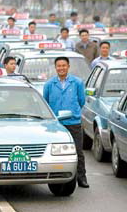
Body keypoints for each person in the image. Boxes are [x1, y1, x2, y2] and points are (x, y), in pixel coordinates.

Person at [43, 56, 89, 188]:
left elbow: (81, 101)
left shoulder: (77, 82)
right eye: (59, 66)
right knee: (54, 151)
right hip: (56, 124)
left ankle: (81, 178)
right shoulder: (49, 84)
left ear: (68, 67)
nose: (61, 68)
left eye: (64, 65)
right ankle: (54, 177)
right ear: (55, 67)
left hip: (73, 122)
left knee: (78, 151)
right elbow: (45, 102)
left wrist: (73, 112)